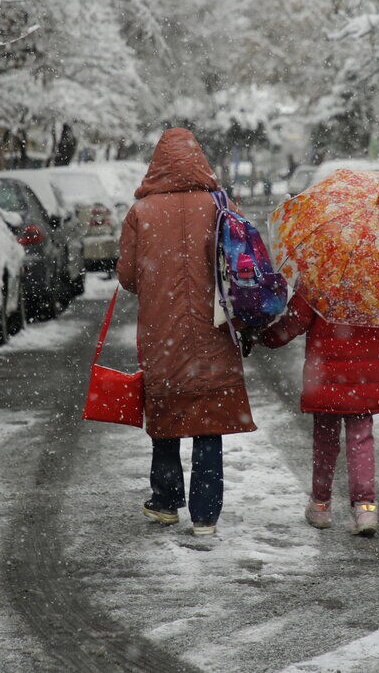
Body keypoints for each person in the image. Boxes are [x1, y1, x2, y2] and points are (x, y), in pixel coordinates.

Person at [117, 128, 255, 536]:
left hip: (162, 332)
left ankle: (164, 501)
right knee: (209, 418)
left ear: (157, 164)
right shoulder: (220, 205)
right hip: (215, 329)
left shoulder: (141, 213)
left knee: (167, 411)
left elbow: (127, 276)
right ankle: (206, 515)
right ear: (199, 160)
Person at [259, 291, 379, 536]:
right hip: (365, 370)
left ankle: (321, 505)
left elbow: (295, 322)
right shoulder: (378, 277)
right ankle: (365, 508)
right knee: (361, 440)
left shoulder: (317, 275)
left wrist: (264, 337)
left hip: (325, 372)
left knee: (325, 441)